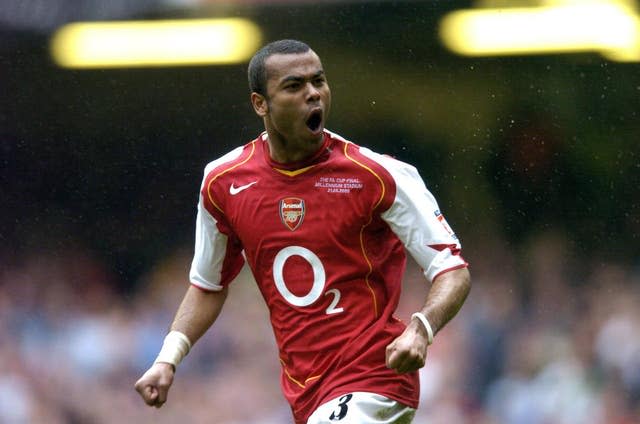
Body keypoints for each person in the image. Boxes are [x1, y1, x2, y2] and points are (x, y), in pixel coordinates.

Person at [135, 39, 471, 424]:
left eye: (319, 81)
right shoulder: (223, 181)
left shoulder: (379, 175)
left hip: (376, 377)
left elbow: (452, 270)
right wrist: (167, 360)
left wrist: (421, 328)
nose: (313, 94)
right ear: (260, 104)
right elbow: (207, 285)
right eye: (294, 86)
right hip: (307, 392)